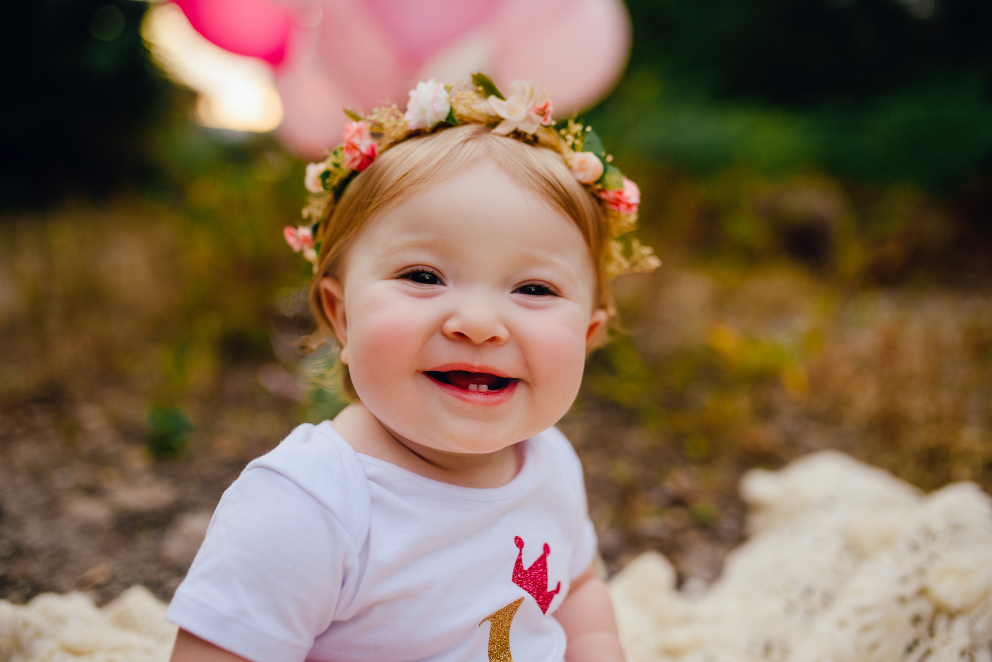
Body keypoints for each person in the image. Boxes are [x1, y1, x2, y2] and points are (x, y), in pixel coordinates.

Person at [166, 75, 659, 662]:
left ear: (587, 337)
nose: (479, 323)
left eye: (533, 288)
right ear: (342, 317)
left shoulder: (550, 462)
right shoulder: (311, 503)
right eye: (423, 277)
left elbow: (576, 591)